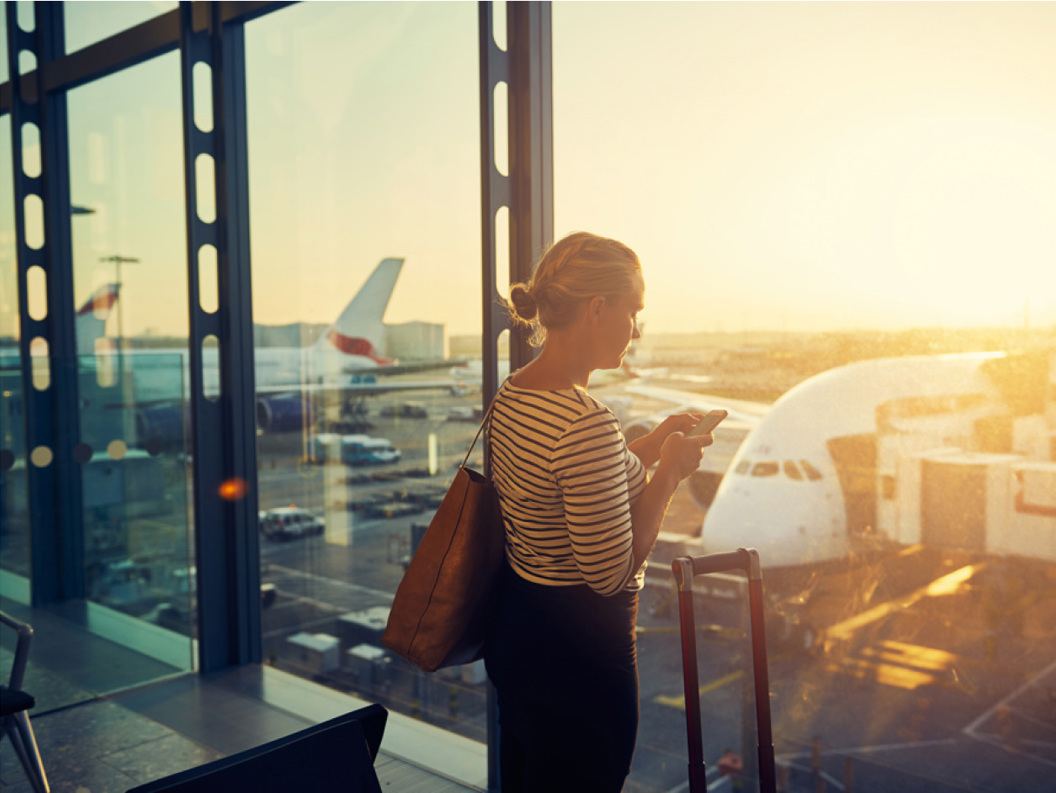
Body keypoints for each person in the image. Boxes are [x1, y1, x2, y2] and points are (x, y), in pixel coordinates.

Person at [483, 231, 714, 792]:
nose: (637, 329)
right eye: (634, 311)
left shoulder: (515, 393)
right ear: (596, 309)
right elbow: (609, 574)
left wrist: (651, 445)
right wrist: (670, 473)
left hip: (520, 640)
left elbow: (575, 485)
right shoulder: (585, 422)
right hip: (579, 669)